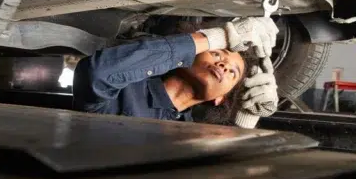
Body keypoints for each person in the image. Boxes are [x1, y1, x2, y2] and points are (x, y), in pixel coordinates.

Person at [72, 17, 280, 128]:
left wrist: (248, 116)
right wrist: (217, 36)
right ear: (189, 56)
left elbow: (223, 173)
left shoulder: (193, 134)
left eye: (233, 72)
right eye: (217, 54)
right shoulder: (124, 90)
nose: (224, 66)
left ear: (220, 99)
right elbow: (96, 74)